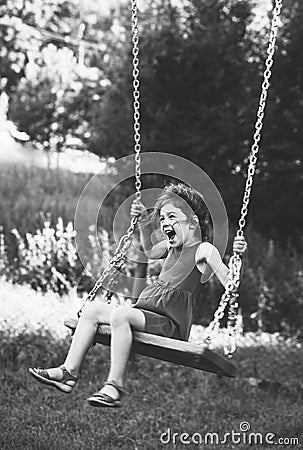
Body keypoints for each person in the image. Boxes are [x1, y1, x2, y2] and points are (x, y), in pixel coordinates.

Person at [29, 182, 247, 408]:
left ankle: (114, 386)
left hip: (169, 323)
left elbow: (230, 282)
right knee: (92, 310)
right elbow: (150, 251)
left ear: (192, 221)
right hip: (147, 313)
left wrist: (238, 257)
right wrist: (143, 222)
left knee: (121, 315)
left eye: (172, 216)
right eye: (162, 219)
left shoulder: (204, 249)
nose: (165, 223)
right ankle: (68, 372)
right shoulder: (171, 247)